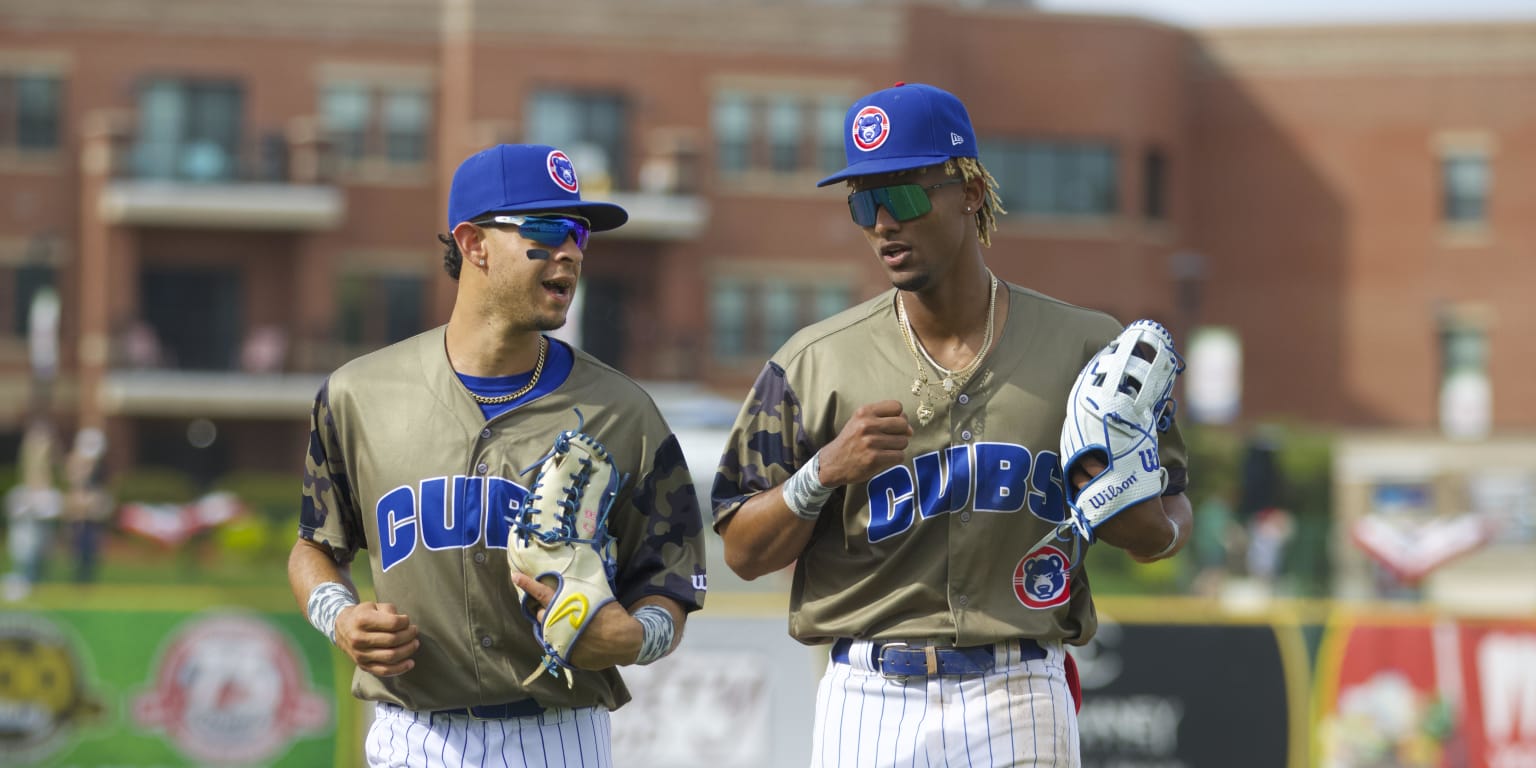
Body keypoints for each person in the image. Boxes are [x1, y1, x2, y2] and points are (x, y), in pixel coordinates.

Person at [711, 82, 1193, 766]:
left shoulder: (1085, 348)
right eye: (863, 201)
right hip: (868, 691)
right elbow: (743, 551)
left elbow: (1164, 522)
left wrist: (1128, 501)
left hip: (1021, 682)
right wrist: (820, 475)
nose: (883, 223)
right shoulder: (813, 363)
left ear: (969, 190)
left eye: (903, 194)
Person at [287, 143, 708, 766]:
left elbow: (671, 582)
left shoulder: (623, 412)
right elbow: (316, 547)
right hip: (414, 735)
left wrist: (637, 637)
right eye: (545, 231)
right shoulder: (359, 395)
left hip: (559, 734)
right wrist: (340, 619)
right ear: (473, 243)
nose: (568, 251)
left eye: (580, 235)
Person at [61, 427, 113, 583]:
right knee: (76, 555)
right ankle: (77, 582)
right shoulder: (75, 464)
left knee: (90, 555)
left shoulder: (97, 473)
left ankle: (85, 582)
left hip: (90, 521)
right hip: (77, 521)